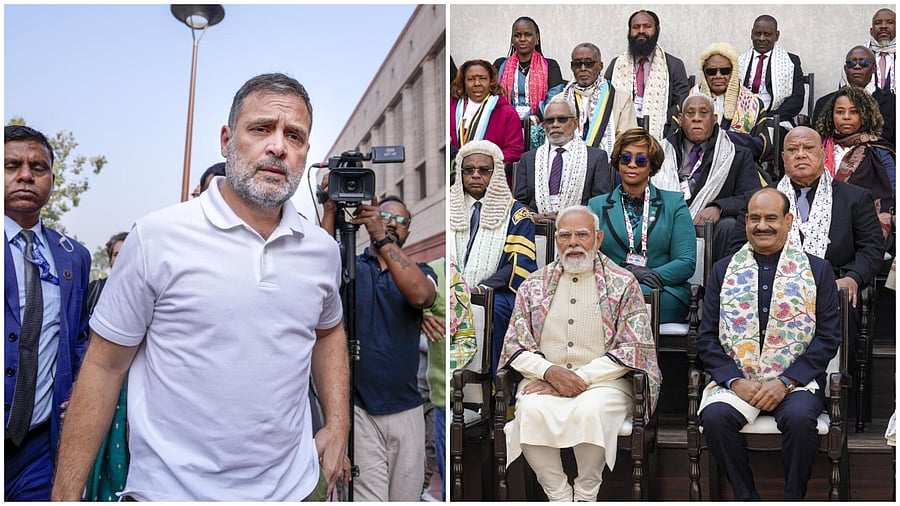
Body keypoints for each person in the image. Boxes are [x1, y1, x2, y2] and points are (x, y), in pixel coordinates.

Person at [51, 73, 350, 501]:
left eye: (294, 135)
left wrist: (338, 424)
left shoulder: (321, 249)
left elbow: (329, 331)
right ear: (227, 139)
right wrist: (65, 494)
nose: (278, 146)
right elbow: (104, 367)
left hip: (295, 490)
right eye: (261, 128)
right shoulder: (157, 237)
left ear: (305, 151)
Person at [498, 205, 661, 502]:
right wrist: (551, 373)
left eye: (582, 235)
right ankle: (559, 495)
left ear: (598, 239)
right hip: (544, 378)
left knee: (591, 411)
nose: (573, 242)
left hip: (605, 382)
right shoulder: (533, 285)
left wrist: (578, 377)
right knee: (530, 411)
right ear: (556, 240)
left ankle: (586, 494)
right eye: (565, 235)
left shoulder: (623, 282)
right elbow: (514, 346)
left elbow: (633, 348)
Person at [696, 187, 841, 500]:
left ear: (788, 221)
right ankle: (747, 498)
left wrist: (786, 381)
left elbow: (829, 337)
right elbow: (706, 336)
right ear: (746, 222)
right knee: (715, 418)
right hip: (739, 380)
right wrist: (734, 381)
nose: (763, 225)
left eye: (772, 218)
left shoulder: (817, 270)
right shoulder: (723, 270)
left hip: (795, 382)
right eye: (755, 218)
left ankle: (792, 498)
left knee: (801, 419)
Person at [323, 192, 437, 501]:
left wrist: (380, 238)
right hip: (360, 410)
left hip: (408, 409)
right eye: (384, 216)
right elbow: (317, 274)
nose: (391, 223)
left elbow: (421, 296)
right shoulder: (351, 267)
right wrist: (330, 210)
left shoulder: (422, 271)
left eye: (401, 221)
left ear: (408, 232)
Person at [5, 125, 92, 501]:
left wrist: (79, 390)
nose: (25, 175)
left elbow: (79, 337)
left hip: (40, 446)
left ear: (52, 180)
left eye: (38, 167)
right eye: (11, 165)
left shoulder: (73, 255)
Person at [726, 127, 884, 312]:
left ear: (822, 154)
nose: (800, 155)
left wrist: (853, 278)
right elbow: (737, 248)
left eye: (808, 148)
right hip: (768, 286)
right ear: (784, 158)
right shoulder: (760, 198)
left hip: (833, 286)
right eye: (793, 150)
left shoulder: (855, 198)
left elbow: (872, 249)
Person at [589, 128, 695, 323]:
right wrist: (629, 274)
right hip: (612, 288)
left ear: (652, 165)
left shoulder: (674, 203)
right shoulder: (596, 205)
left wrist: (648, 275)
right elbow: (590, 258)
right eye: (625, 158)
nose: (632, 165)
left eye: (641, 160)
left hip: (662, 290)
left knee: (631, 300)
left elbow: (686, 262)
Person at [450, 140, 537, 376]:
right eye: (468, 170)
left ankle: (493, 385)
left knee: (494, 309)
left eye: (483, 170)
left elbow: (519, 264)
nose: (475, 175)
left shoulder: (517, 213)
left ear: (496, 173)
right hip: (450, 288)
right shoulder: (448, 205)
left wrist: (480, 288)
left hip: (494, 291)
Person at [653, 93, 765, 260]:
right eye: (690, 113)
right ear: (681, 119)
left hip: (712, 227)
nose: (696, 118)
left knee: (730, 226)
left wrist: (719, 207)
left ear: (714, 119)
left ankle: (717, 281)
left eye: (703, 113)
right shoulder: (659, 152)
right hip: (664, 219)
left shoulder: (737, 154)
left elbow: (752, 197)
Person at [81, 231, 129, 502]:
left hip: (129, 389)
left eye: (126, 254)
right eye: (116, 254)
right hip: (97, 382)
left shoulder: (147, 293)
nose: (121, 259)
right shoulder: (96, 290)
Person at [425, 256, 477, 501]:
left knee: (453, 481)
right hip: (434, 394)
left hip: (454, 395)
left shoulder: (453, 274)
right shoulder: (432, 272)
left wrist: (451, 373)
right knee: (444, 476)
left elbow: (468, 341)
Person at [514, 95, 613, 223]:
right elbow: (519, 203)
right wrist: (533, 217)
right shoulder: (529, 159)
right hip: (536, 230)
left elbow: (601, 204)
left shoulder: (596, 158)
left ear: (575, 123)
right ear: (544, 126)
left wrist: (571, 218)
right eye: (550, 121)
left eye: (562, 119)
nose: (555, 125)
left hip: (578, 231)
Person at [814, 85, 895, 239]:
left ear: (865, 115)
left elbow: (894, 187)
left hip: (863, 223)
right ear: (831, 116)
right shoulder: (819, 147)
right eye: (840, 112)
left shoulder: (879, 149)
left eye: (854, 111)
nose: (846, 117)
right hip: (817, 221)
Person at [605, 9, 690, 141]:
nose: (641, 31)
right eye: (636, 27)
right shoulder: (616, 64)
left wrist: (666, 134)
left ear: (658, 29)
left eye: (647, 26)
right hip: (620, 134)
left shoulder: (674, 65)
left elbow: (680, 103)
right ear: (629, 31)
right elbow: (605, 98)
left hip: (662, 136)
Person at [559, 42, 638, 159]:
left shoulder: (621, 98)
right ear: (572, 67)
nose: (583, 68)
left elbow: (627, 141)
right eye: (577, 64)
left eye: (589, 63)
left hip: (608, 167)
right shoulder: (559, 100)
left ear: (600, 66)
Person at [451, 59, 525, 175]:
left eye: (483, 78)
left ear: (491, 82)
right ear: (463, 83)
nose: (477, 83)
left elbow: (514, 151)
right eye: (471, 79)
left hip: (491, 177)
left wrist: (484, 163)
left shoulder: (507, 113)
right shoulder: (451, 108)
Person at [813, 46, 895, 149]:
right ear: (845, 69)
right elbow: (817, 144)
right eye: (851, 63)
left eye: (864, 63)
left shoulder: (893, 103)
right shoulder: (824, 103)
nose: (857, 66)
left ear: (874, 68)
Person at [494, 16, 564, 124]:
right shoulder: (500, 65)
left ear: (537, 38)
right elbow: (493, 97)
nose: (522, 39)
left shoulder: (551, 66)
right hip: (506, 124)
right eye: (517, 35)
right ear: (512, 40)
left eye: (528, 34)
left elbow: (554, 100)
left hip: (540, 125)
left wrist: (535, 118)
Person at [737, 15, 806, 123]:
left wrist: (771, 118)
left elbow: (797, 99)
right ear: (751, 34)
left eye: (767, 34)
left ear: (777, 35)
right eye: (757, 34)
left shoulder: (791, 61)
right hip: (741, 118)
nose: (761, 38)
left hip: (776, 120)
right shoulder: (739, 62)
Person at [866, 8, 895, 95]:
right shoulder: (858, 55)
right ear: (871, 31)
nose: (883, 26)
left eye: (890, 22)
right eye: (878, 23)